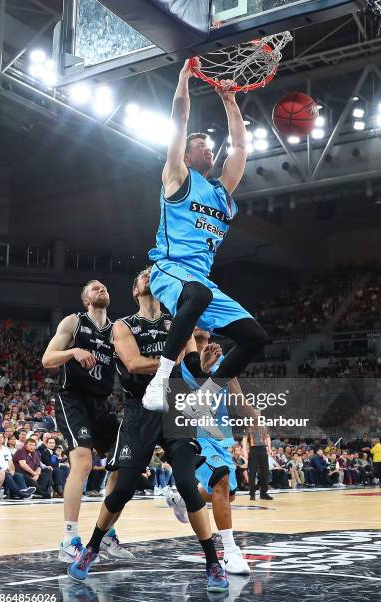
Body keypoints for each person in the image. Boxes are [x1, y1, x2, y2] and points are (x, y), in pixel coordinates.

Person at [68, 269, 229, 593]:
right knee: (123, 488)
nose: (148, 276)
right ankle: (92, 548)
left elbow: (192, 368)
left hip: (176, 408)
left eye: (151, 274)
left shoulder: (177, 323)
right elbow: (133, 364)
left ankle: (213, 562)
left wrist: (205, 366)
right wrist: (173, 361)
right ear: (134, 290)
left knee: (185, 483)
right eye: (143, 275)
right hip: (140, 409)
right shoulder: (124, 325)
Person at [142, 59, 268, 414]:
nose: (208, 148)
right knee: (195, 294)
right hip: (168, 270)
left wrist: (230, 102)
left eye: (210, 145)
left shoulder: (221, 191)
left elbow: (240, 149)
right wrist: (183, 78)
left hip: (201, 280)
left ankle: (205, 397)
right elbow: (179, 120)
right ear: (184, 153)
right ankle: (161, 379)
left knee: (255, 338)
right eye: (200, 145)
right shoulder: (177, 175)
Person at [41, 280, 129, 562]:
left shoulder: (117, 331)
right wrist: (73, 352)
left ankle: (106, 533)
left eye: (104, 287)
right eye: (94, 288)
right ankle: (69, 539)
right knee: (82, 461)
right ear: (86, 300)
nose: (101, 288)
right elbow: (47, 359)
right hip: (73, 398)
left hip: (103, 404)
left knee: (123, 464)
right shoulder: (74, 322)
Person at [174, 327, 251, 574]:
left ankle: (183, 499)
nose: (201, 321)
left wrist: (254, 415)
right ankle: (230, 551)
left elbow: (237, 398)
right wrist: (204, 368)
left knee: (226, 495)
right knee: (221, 481)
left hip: (221, 436)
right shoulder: (179, 357)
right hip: (194, 433)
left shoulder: (224, 361)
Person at [0, 432, 35, 499]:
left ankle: (24, 489)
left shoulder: (6, 449)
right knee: (8, 476)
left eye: (1, 437)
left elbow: (10, 462)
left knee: (18, 475)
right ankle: (21, 494)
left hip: (7, 470)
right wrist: (4, 470)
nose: (0, 439)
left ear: (4, 439)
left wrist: (12, 470)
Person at [242, 426, 273, 500]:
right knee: (252, 473)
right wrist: (245, 452)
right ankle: (252, 493)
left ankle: (263, 493)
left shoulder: (264, 427)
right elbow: (244, 439)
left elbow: (268, 437)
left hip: (263, 449)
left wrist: (269, 448)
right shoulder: (248, 428)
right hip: (253, 450)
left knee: (265, 472)